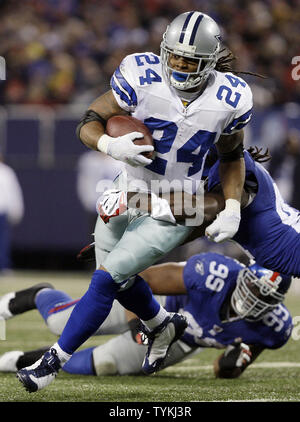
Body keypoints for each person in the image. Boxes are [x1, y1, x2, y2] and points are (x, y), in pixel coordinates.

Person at [16, 11, 254, 393]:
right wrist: (109, 144)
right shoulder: (141, 74)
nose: (177, 65)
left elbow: (231, 157)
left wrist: (230, 207)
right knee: (121, 278)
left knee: (108, 278)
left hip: (179, 205)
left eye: (187, 60)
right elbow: (90, 120)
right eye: (172, 55)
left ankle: (51, 362)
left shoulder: (230, 97)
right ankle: (163, 325)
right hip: (126, 191)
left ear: (208, 62)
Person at [0, 252, 292, 379]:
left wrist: (233, 364)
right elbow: (139, 279)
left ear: (277, 302)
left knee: (106, 364)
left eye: (265, 297)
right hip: (157, 306)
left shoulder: (274, 328)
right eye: (253, 288)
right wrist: (137, 321)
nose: (254, 299)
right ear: (244, 276)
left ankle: (29, 360)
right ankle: (36, 294)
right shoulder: (213, 274)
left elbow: (224, 369)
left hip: (183, 341)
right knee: (58, 323)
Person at [0, 156, 24, 273]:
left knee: (3, 241)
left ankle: (3, 266)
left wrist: (16, 210)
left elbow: (13, 193)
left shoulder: (6, 172)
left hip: (2, 212)